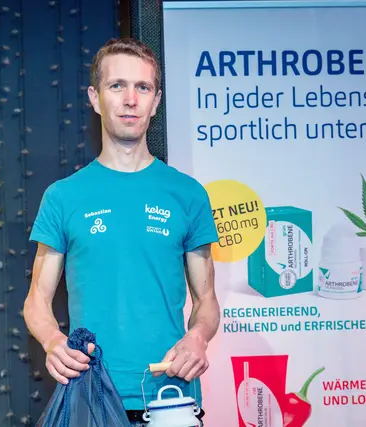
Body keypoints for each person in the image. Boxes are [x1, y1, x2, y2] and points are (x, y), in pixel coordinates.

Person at [24, 38, 220, 426]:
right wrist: (53, 341)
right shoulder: (64, 196)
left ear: (155, 101)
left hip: (170, 398)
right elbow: (36, 301)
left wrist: (198, 336)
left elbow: (207, 300)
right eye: (117, 86)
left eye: (142, 88)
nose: (130, 99)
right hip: (92, 396)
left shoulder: (188, 194)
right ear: (95, 98)